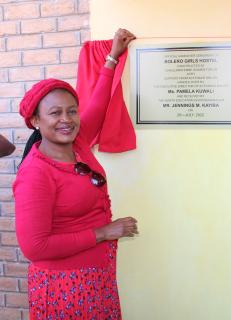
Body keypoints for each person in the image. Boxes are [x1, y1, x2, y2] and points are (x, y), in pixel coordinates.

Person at [13, 28, 138, 319]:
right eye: (55, 113)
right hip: (64, 287)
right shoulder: (36, 173)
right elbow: (35, 247)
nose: (66, 120)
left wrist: (112, 58)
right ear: (35, 120)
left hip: (97, 277)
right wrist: (104, 232)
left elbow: (98, 102)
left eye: (72, 111)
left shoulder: (78, 143)